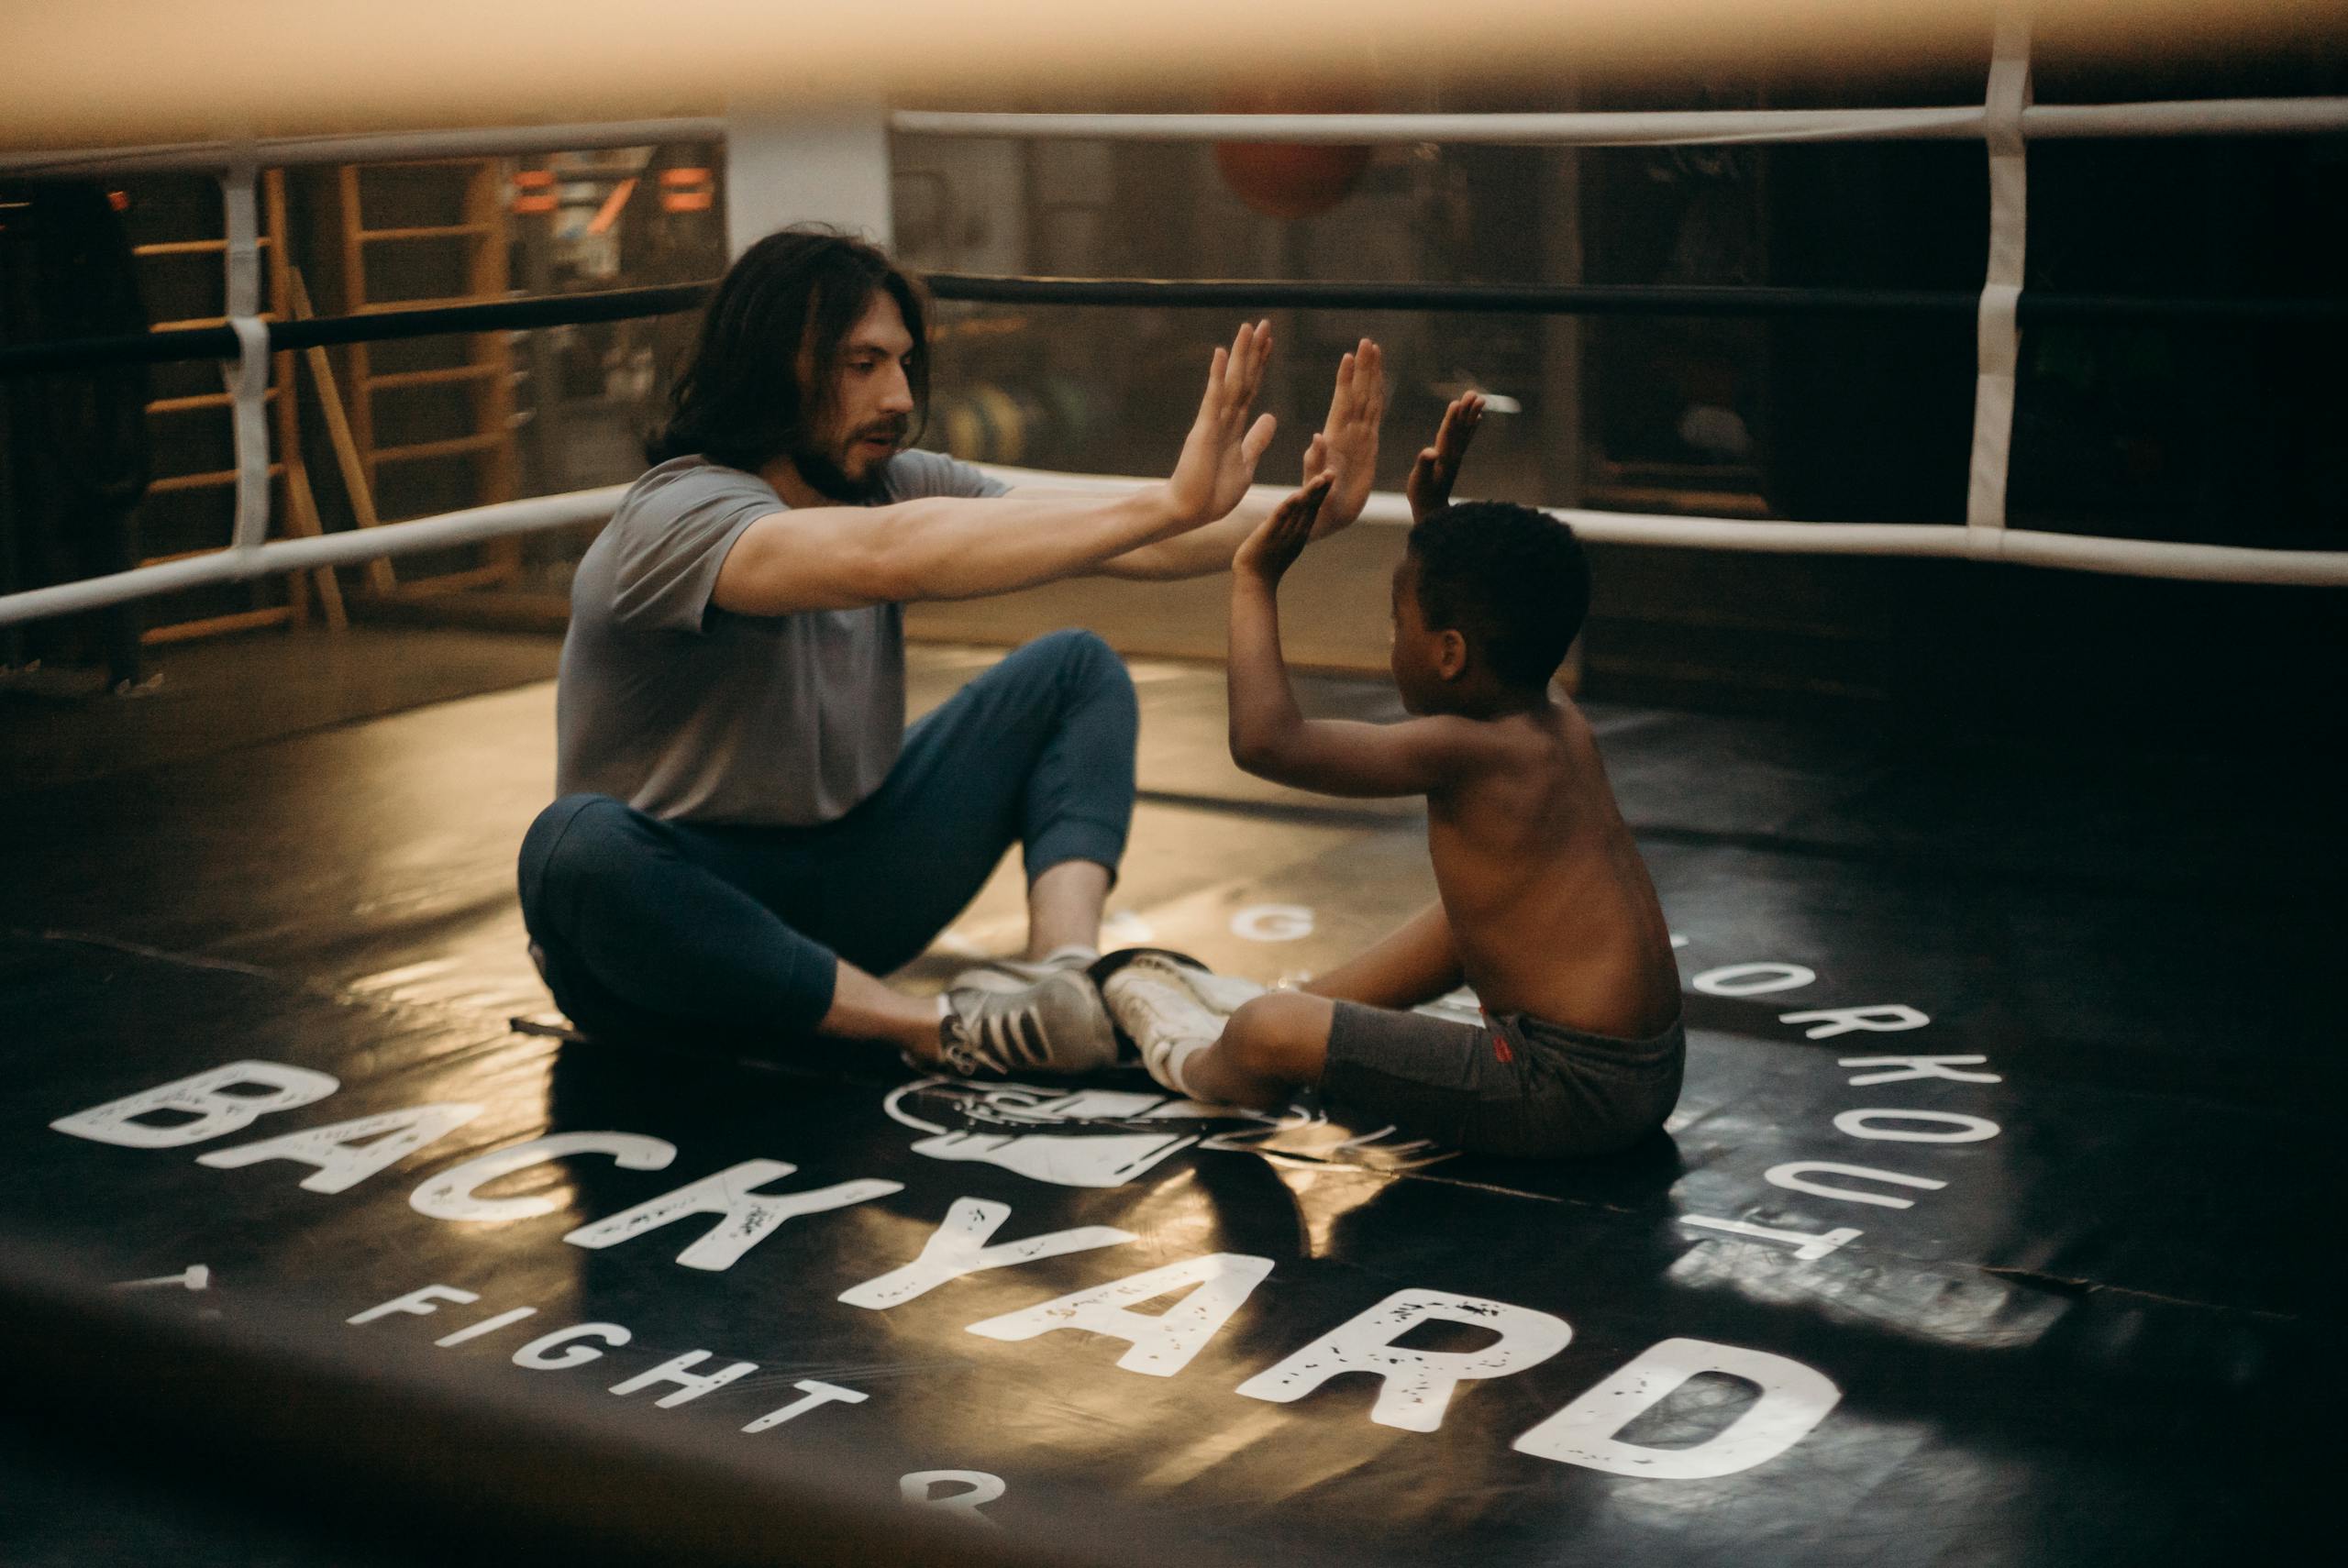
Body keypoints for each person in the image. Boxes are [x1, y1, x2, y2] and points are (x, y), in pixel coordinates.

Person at [516, 226, 1386, 1081]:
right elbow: (884, 556)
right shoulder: (676, 515)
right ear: (772, 369)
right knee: (573, 849)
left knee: (1074, 669)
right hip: (682, 934)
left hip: (843, 891)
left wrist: (1314, 511)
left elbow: (1116, 540)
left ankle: (1067, 983)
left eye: (902, 364)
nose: (897, 396)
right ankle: (943, 1029)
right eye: (863, 366)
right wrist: (1167, 506)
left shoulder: (896, 481)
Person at [1102, 397, 1686, 1158]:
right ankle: (1303, 1001)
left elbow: (1267, 743)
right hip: (1647, 1074)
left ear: (1447, 654)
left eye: (1396, 625)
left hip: (1562, 1091)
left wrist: (1255, 578)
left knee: (1268, 1033)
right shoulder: (1553, 713)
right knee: (1466, 916)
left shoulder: (1465, 749)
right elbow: (1482, 612)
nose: (1389, 640)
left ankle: (1198, 1055)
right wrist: (1433, 516)